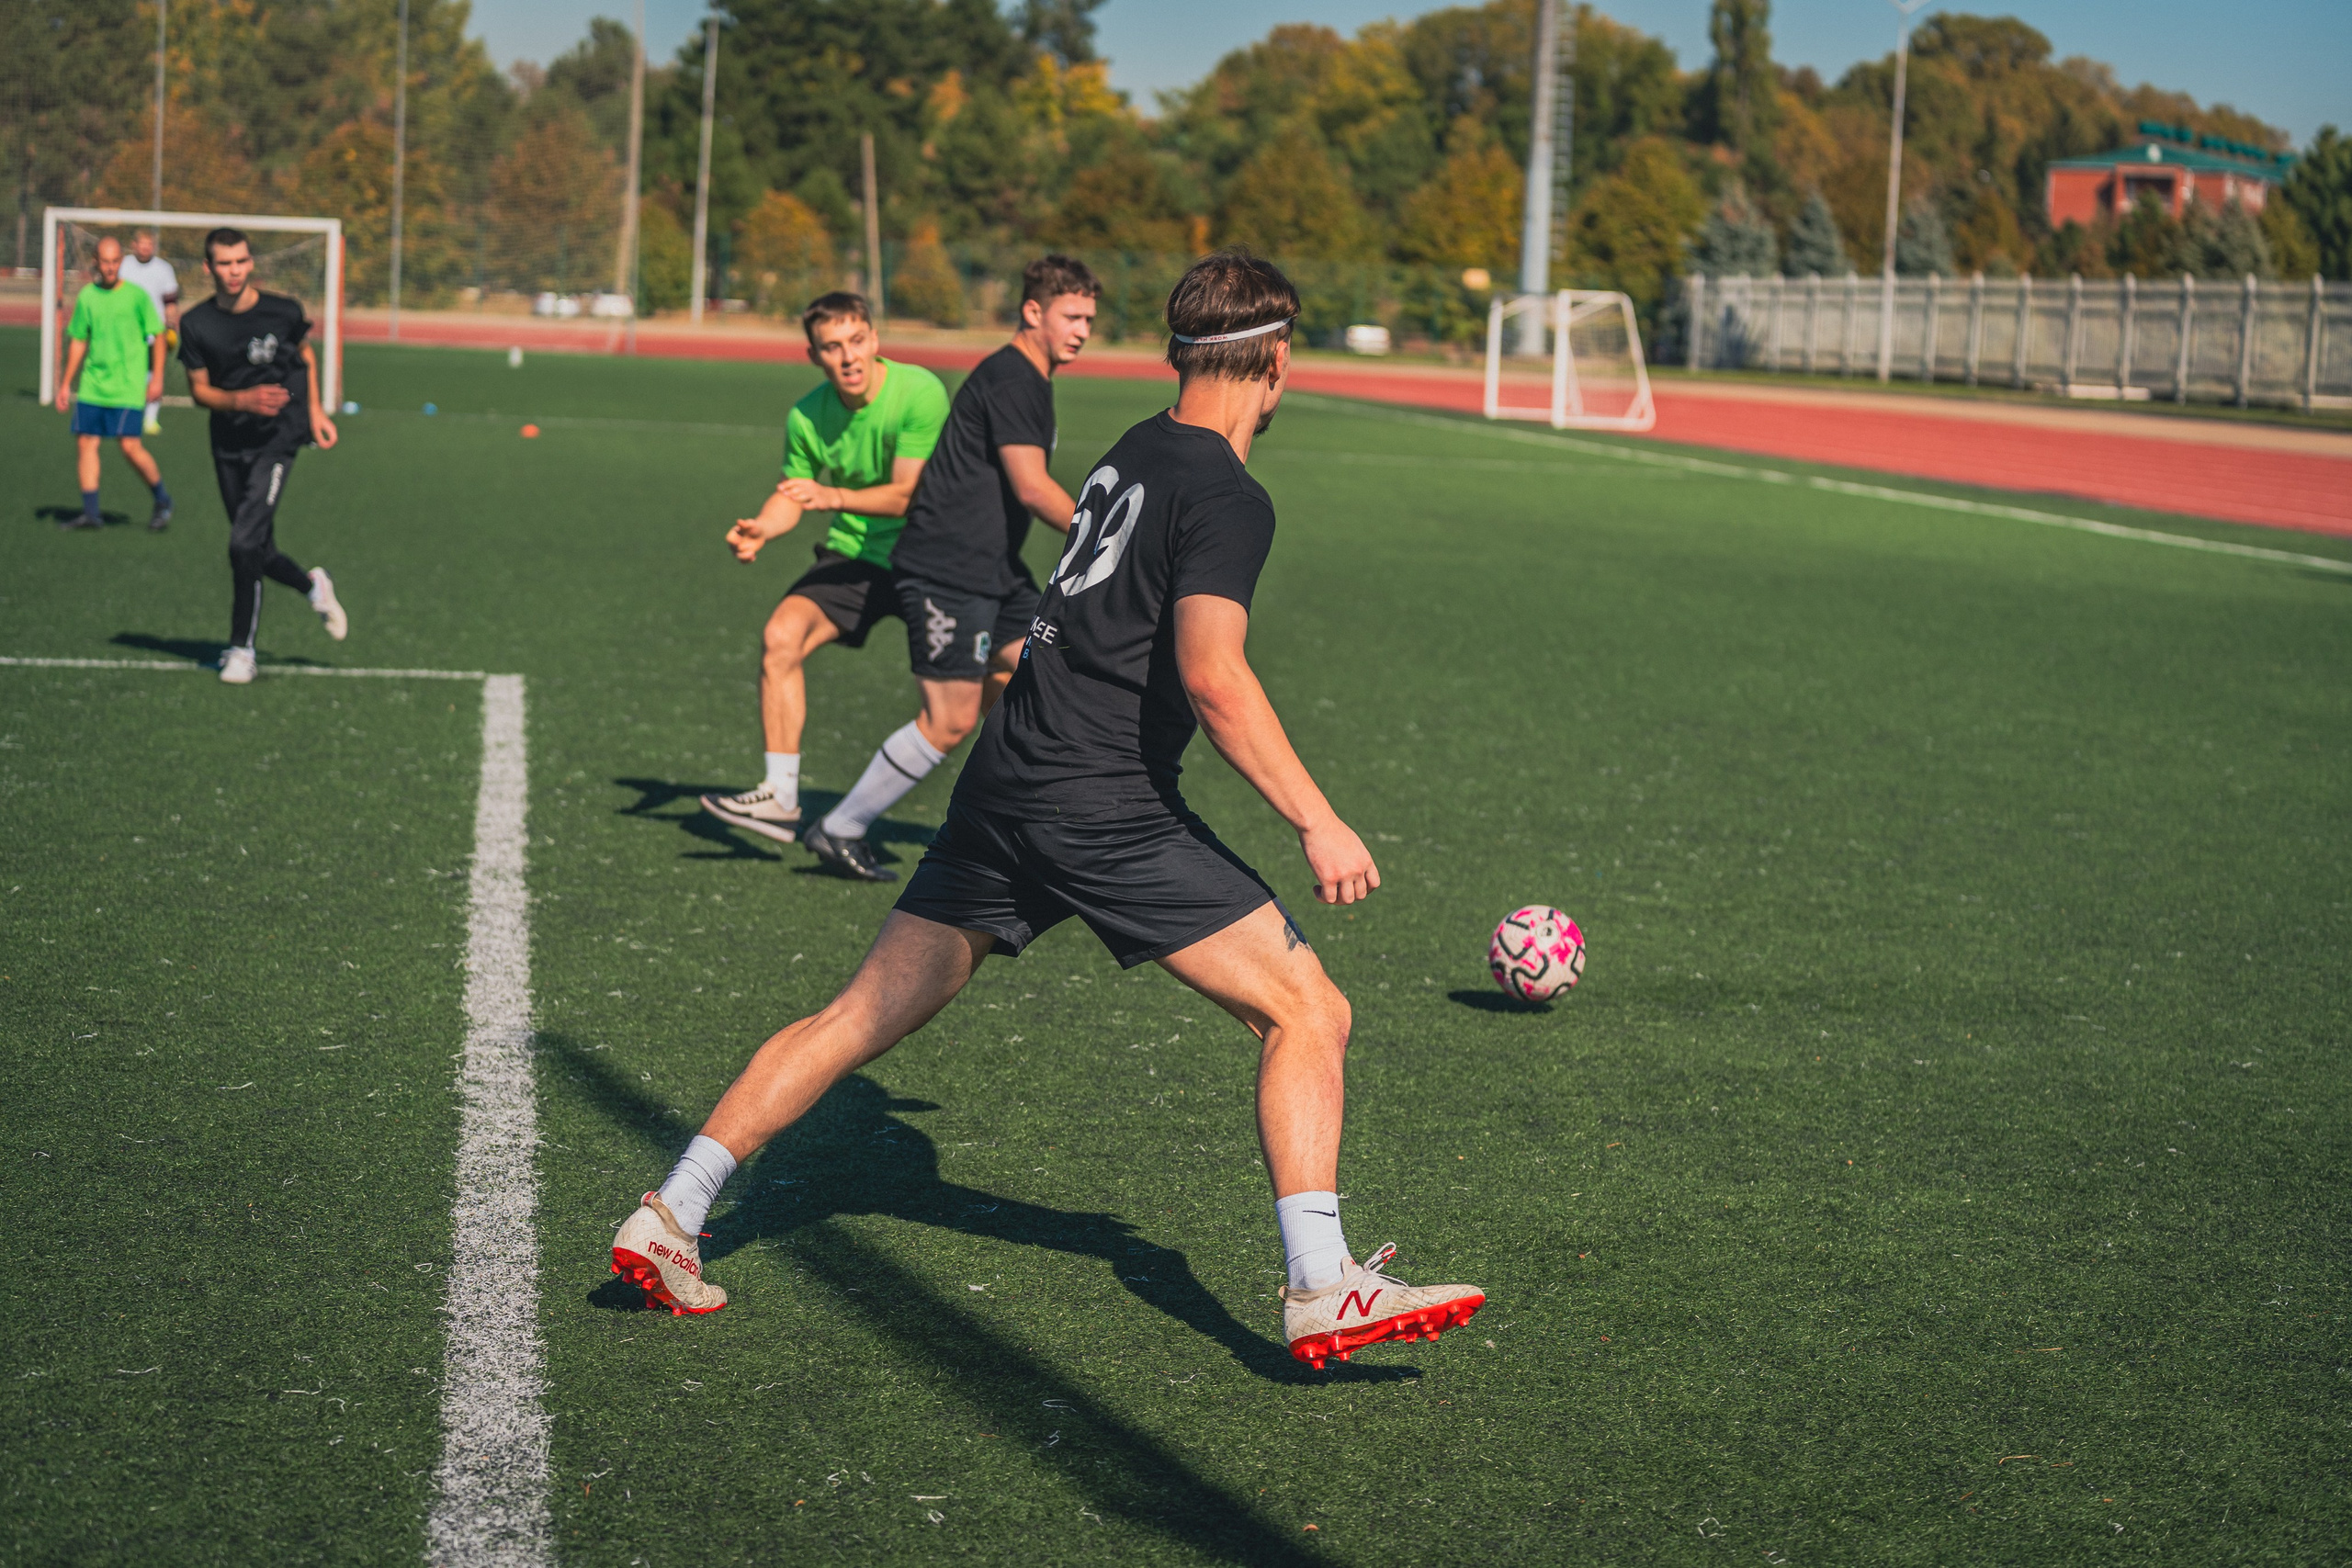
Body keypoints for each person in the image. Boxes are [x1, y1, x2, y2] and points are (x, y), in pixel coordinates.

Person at [614, 252, 1487, 1371]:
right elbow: (1215, 674)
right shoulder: (1227, 493)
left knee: (854, 1018)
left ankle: (672, 1211)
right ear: (1273, 361)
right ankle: (1322, 1284)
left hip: (1005, 778)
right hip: (1100, 801)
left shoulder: (1131, 449)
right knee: (1308, 1011)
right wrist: (1318, 819)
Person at [797, 255, 1099, 883]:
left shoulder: (1029, 377)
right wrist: (1106, 540)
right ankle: (841, 825)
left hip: (993, 570)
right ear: (1033, 311)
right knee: (951, 717)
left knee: (1036, 676)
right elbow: (1034, 487)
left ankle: (1013, 825)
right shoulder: (1015, 379)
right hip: (946, 571)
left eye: (1090, 318)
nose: (1083, 330)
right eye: (1072, 316)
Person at [699, 294, 950, 847]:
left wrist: (829, 494)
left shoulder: (919, 391)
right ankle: (781, 795)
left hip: (930, 557)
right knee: (779, 638)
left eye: (857, 341)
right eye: (832, 348)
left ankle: (1032, 808)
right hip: (856, 556)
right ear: (814, 355)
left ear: (875, 339)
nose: (849, 358)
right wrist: (764, 527)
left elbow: (909, 495)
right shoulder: (806, 415)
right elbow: (793, 495)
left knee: (992, 684)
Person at [177, 227, 347, 685]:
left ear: (251, 263)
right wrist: (241, 401)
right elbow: (198, 391)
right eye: (224, 263)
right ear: (208, 267)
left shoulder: (284, 311)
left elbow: (305, 359)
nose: (234, 271)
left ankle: (241, 650)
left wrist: (314, 413)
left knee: (241, 546)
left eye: (241, 262)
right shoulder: (195, 324)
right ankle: (313, 586)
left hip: (278, 438)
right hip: (228, 442)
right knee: (258, 549)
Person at [54, 235, 173, 532]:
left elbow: (158, 335)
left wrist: (157, 377)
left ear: (121, 261)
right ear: (96, 262)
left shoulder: (136, 296)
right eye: (104, 262)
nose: (109, 268)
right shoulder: (87, 297)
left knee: (130, 447)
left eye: (114, 261)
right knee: (86, 443)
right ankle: (91, 514)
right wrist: (66, 383)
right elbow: (80, 340)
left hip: (128, 385)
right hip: (94, 384)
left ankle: (162, 500)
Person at [118, 229, 182, 436]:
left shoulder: (164, 268)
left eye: (149, 244)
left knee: (154, 374)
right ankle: (127, 413)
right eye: (142, 243)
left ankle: (150, 419)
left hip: (156, 330)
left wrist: (171, 324)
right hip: (126, 329)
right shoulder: (123, 265)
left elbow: (170, 301)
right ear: (134, 244)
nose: (146, 247)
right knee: (126, 372)